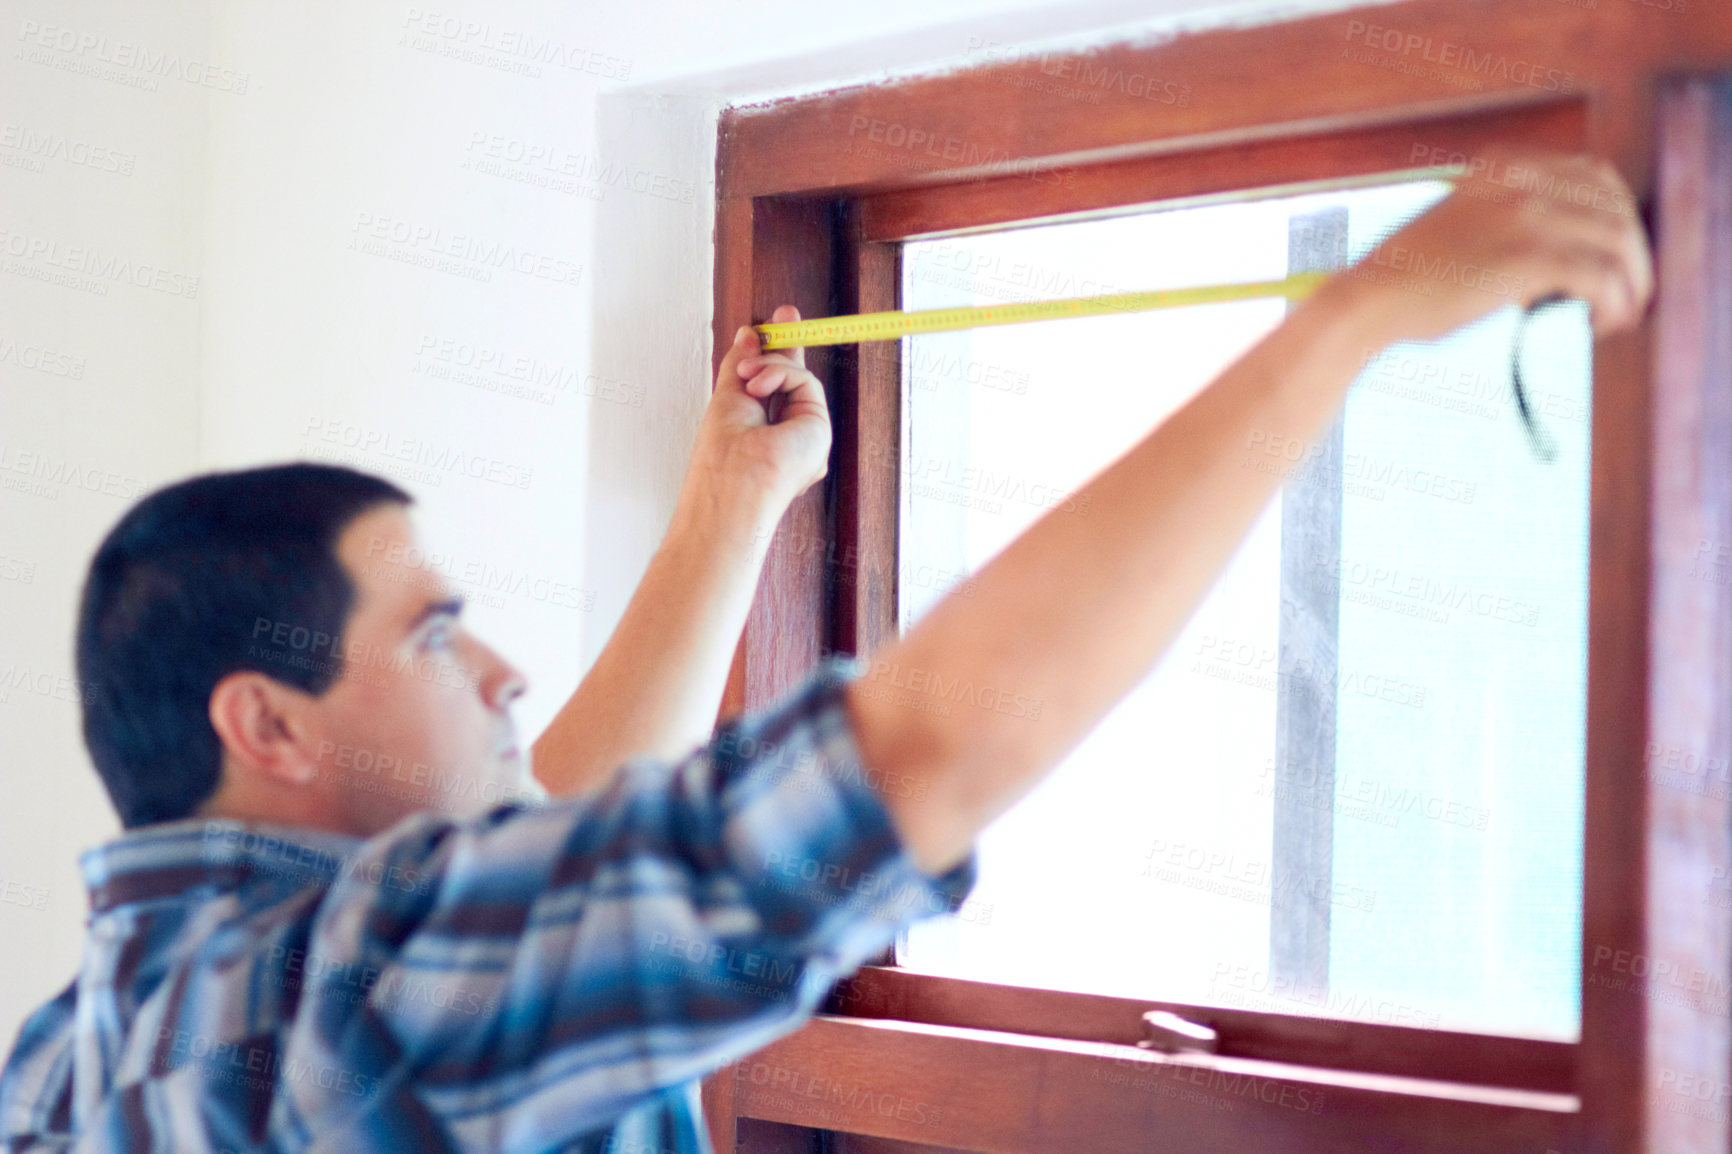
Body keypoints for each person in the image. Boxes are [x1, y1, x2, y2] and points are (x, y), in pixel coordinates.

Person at [0, 147, 1651, 1152]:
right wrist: (1348, 324)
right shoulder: (350, 991)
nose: (499, 669)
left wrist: (733, 505)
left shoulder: (80, 1050)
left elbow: (560, 854)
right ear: (268, 722)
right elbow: (912, 758)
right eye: (433, 631)